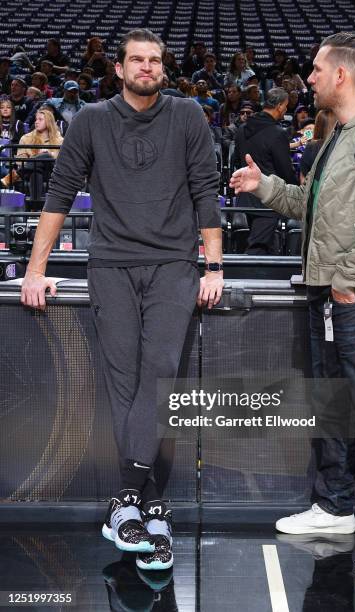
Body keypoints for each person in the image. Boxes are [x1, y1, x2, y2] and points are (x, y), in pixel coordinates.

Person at [21, 27, 223, 572]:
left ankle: (124, 500)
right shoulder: (90, 120)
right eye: (137, 60)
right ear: (119, 68)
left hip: (172, 267)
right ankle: (154, 508)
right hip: (110, 265)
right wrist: (34, 271)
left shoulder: (187, 117)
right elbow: (59, 193)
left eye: (156, 60)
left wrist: (215, 264)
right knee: (125, 385)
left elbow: (207, 189)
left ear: (164, 68)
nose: (148, 68)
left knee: (157, 377)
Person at [231, 32, 355, 580]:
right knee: (330, 405)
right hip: (331, 297)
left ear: (342, 75)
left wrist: (345, 281)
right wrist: (265, 187)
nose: (306, 78)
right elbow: (309, 209)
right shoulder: (336, 138)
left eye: (314, 69)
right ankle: (334, 508)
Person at [234, 87, 297, 255]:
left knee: (263, 243)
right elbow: (285, 170)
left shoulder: (241, 129)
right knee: (258, 246)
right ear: (279, 106)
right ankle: (250, 278)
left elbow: (235, 160)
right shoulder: (278, 133)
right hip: (268, 197)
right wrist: (297, 191)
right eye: (285, 106)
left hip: (246, 197)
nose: (285, 110)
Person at [16, 108, 63, 202]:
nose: (36, 122)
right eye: (36, 119)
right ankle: (35, 205)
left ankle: (18, 173)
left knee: (47, 156)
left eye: (40, 119)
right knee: (36, 171)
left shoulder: (60, 140)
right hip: (32, 172)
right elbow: (19, 160)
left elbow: (62, 162)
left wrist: (50, 155)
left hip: (52, 172)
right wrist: (37, 158)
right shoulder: (26, 138)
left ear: (49, 122)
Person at [299, 109, 336, 183]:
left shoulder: (312, 146)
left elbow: (303, 177)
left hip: (315, 190)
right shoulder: (340, 143)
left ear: (318, 125)